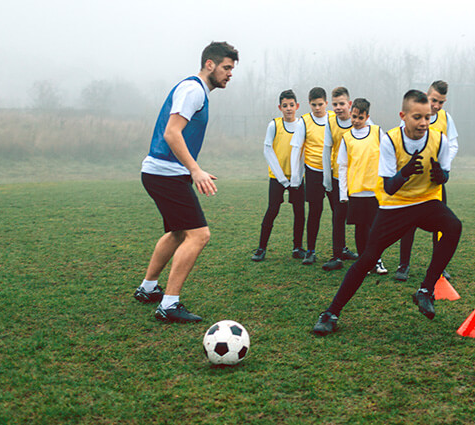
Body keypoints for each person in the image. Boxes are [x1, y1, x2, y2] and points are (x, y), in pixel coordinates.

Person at [312, 90, 462, 336]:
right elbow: (390, 186)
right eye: (417, 117)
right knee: (367, 259)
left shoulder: (440, 140)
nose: (423, 122)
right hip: (396, 206)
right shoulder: (390, 140)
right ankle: (330, 313)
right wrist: (406, 172)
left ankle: (425, 290)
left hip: (426, 202)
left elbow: (444, 174)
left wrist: (441, 176)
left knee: (454, 226)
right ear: (403, 116)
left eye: (427, 117)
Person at [134, 41, 238, 323]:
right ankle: (169, 305)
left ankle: (148, 289)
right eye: (226, 68)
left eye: (232, 69)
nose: (230, 74)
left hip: (164, 172)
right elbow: (172, 133)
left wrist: (192, 169)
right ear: (209, 64)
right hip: (165, 173)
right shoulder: (193, 90)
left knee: (179, 232)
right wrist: (195, 170)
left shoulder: (196, 90)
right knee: (199, 235)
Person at [394, 80, 459, 282]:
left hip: (435, 180)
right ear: (426, 95)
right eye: (434, 100)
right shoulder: (411, 115)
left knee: (443, 225)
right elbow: (400, 141)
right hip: (413, 180)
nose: (437, 106)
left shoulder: (446, 118)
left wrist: (443, 164)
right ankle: (403, 265)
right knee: (408, 223)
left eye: (441, 102)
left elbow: (454, 144)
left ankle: (439, 267)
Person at [251, 90, 306, 262]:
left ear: (297, 106)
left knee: (299, 213)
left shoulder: (302, 125)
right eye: (285, 106)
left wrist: (297, 176)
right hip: (277, 177)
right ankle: (261, 248)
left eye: (291, 105)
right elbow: (268, 150)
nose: (288, 109)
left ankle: (297, 247)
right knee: (272, 210)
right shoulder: (274, 125)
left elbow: (305, 153)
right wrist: (282, 178)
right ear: (280, 107)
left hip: (297, 177)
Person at [337, 98, 388, 275]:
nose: (356, 120)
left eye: (360, 117)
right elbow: (342, 165)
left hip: (375, 191)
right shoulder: (347, 137)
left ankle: (377, 260)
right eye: (354, 116)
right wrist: (343, 193)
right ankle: (363, 262)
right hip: (356, 192)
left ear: (367, 116)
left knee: (376, 228)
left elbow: (389, 156)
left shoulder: (377, 132)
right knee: (360, 228)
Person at [320, 87, 361, 271]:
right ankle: (338, 255)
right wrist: (327, 178)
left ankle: (369, 256)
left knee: (362, 218)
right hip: (338, 178)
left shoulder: (360, 121)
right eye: (335, 104)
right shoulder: (330, 123)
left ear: (349, 104)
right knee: (338, 217)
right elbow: (327, 149)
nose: (338, 107)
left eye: (341, 103)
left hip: (358, 178)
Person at [290, 87, 332, 265]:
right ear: (309, 104)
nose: (317, 108)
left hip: (333, 171)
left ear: (326, 103)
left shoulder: (333, 119)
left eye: (320, 104)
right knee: (315, 212)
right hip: (313, 172)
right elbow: (296, 148)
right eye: (313, 105)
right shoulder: (304, 122)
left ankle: (341, 250)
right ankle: (311, 251)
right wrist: (295, 177)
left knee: (339, 212)